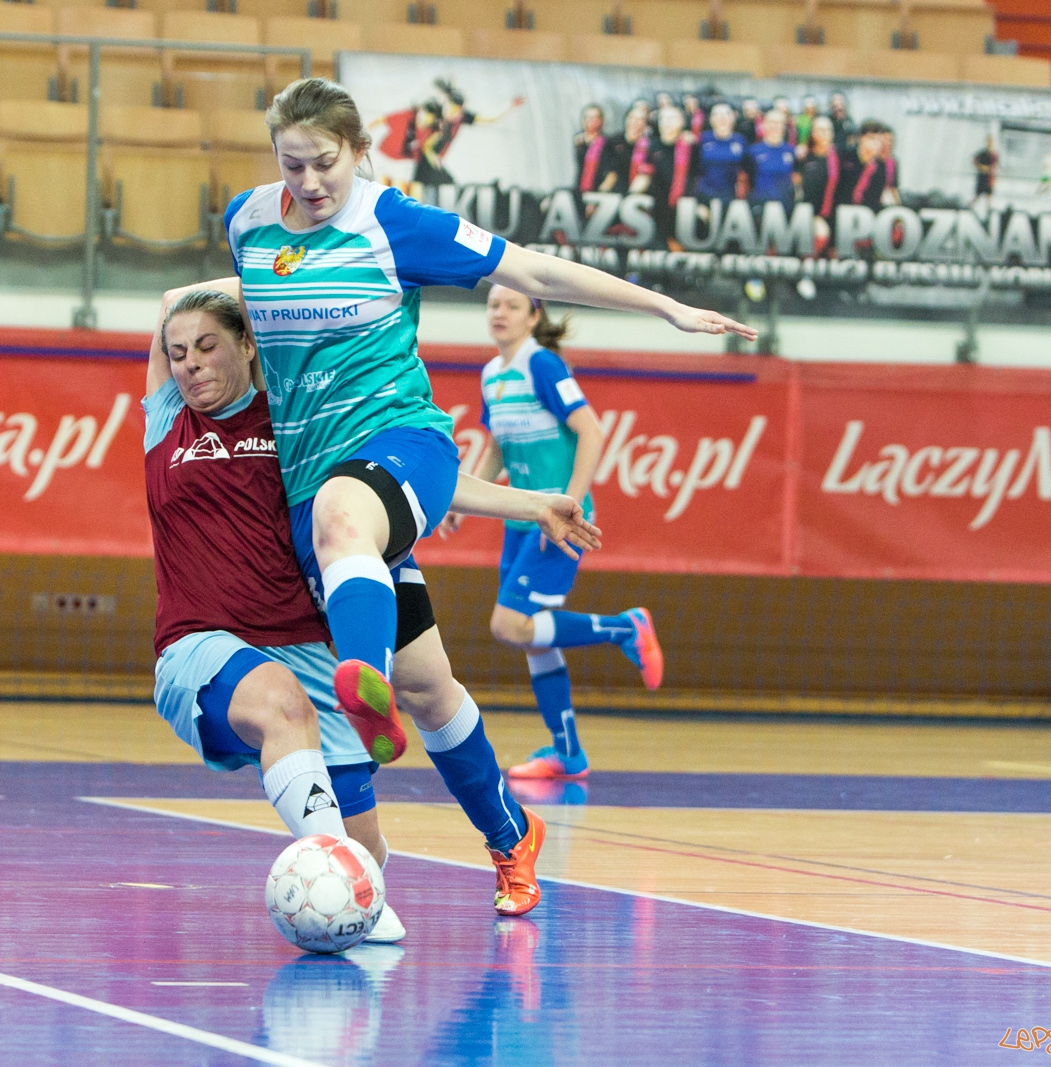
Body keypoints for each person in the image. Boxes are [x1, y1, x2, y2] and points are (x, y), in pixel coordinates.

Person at [185, 76, 753, 915]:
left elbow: (529, 267)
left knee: (350, 521)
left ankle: (359, 676)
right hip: (306, 481)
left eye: (326, 164)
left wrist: (664, 307)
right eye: (292, 164)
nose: (309, 184)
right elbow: (249, 323)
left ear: (362, 153)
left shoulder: (392, 222)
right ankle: (510, 832)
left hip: (401, 443)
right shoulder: (247, 222)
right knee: (432, 688)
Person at [147, 287, 602, 918]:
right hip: (271, 617)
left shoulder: (297, 413)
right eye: (179, 352)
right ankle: (367, 745)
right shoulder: (170, 413)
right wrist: (292, 265)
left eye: (207, 346)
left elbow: (407, 477)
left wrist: (531, 503)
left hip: (349, 560)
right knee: (363, 850)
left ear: (249, 348)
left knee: (429, 690)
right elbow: (178, 299)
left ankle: (511, 838)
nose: (191, 362)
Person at [439, 285, 664, 781]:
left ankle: (625, 627)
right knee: (535, 637)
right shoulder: (493, 373)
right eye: (493, 304)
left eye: (511, 306)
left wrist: (571, 505)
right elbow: (499, 441)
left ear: (533, 316)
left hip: (559, 521)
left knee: (509, 626)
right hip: (522, 520)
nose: (499, 313)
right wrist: (464, 497)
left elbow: (592, 430)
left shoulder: (542, 364)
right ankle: (568, 754)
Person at [647, 103, 697, 245]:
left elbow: (699, 176)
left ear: (682, 122)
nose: (667, 122)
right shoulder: (650, 146)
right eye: (663, 118)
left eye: (672, 118)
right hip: (655, 210)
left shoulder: (691, 147)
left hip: (684, 209)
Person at [799, 114, 841, 255]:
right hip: (808, 216)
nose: (824, 134)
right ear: (813, 133)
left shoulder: (839, 158)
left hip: (834, 217)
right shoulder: (805, 157)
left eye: (828, 130)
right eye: (820, 130)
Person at [745, 107, 797, 216]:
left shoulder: (792, 151)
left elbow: (796, 180)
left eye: (779, 123)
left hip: (785, 208)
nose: (776, 126)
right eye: (772, 122)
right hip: (759, 208)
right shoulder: (753, 151)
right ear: (764, 125)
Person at [695, 101, 747, 207]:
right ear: (710, 119)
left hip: (731, 197)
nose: (722, 118)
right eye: (717, 114)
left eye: (726, 114)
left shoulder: (741, 141)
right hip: (705, 196)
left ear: (733, 117)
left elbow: (747, 170)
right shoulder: (701, 139)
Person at [972, 134, 998, 214]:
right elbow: (975, 161)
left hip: (989, 178)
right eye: (988, 141)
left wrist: (988, 169)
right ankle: (971, 209)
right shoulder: (981, 154)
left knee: (989, 196)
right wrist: (981, 167)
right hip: (982, 177)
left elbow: (994, 166)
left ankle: (989, 212)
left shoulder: (994, 155)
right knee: (978, 195)